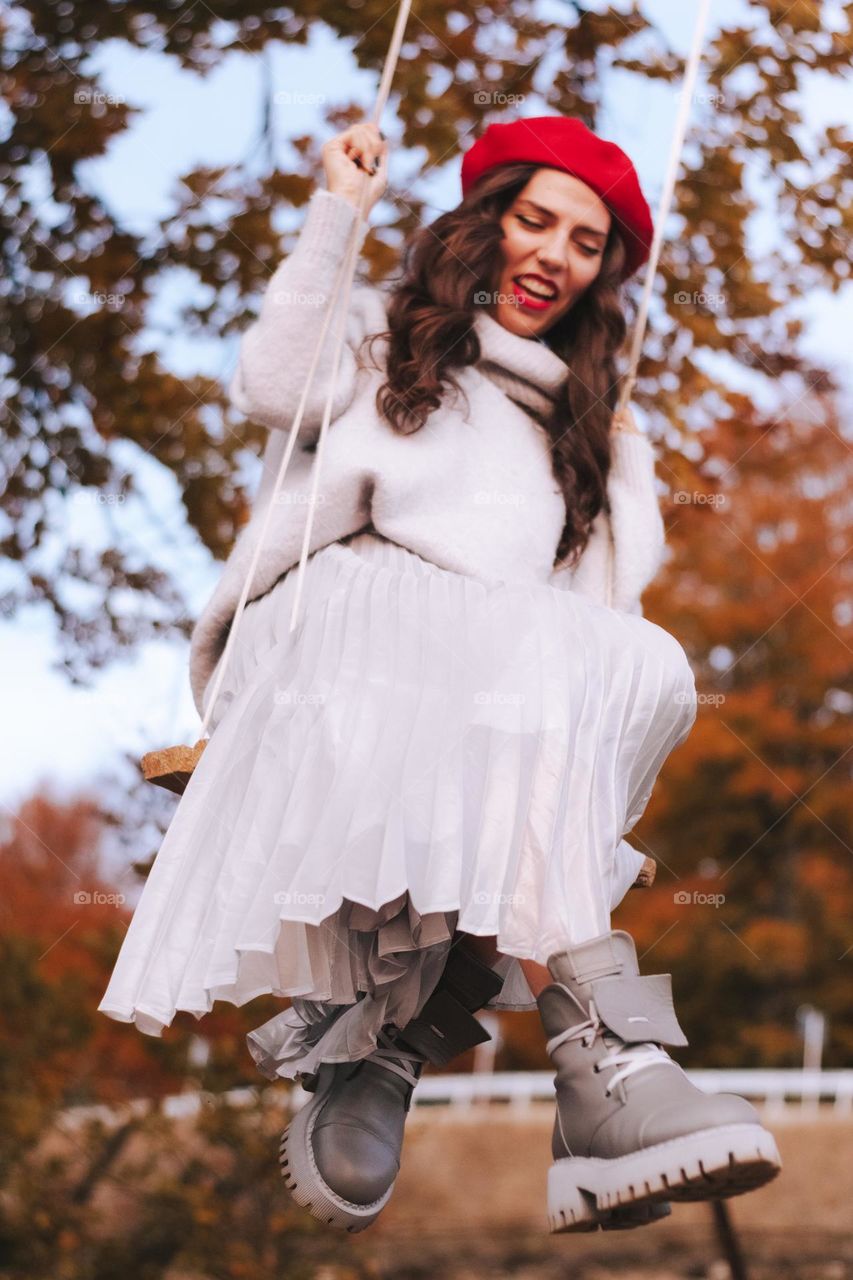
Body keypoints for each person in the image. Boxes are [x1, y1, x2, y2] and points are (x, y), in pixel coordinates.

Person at [98, 114, 781, 1235]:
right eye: (533, 219)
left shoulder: (596, 429)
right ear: (486, 221)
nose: (553, 253)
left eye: (585, 240)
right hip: (335, 621)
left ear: (604, 273)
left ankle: (556, 1057)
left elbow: (597, 612)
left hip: (486, 669)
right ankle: (448, 1039)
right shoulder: (385, 336)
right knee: (496, 647)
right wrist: (336, 215)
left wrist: (571, 744)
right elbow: (270, 385)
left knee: (641, 659)